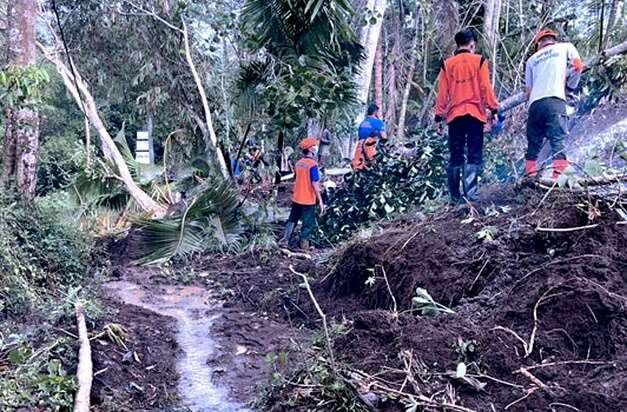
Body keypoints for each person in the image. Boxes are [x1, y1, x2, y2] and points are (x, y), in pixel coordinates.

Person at [435, 28, 499, 203]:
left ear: (458, 44)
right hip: (474, 115)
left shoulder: (447, 64)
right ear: (472, 44)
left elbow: (442, 94)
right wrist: (493, 109)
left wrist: (438, 116)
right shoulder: (479, 61)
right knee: (474, 153)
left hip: (454, 116)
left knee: (455, 155)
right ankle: (471, 194)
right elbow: (486, 88)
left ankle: (455, 197)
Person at [524, 28, 583, 178]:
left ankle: (530, 178)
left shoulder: (531, 60)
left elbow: (528, 91)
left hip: (535, 105)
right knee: (557, 141)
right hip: (555, 100)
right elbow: (577, 66)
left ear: (539, 44)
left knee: (533, 144)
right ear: (554, 40)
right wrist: (570, 88)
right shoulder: (565, 47)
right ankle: (558, 178)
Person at [280, 138, 325, 249]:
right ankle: (304, 245)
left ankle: (285, 240)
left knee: (292, 219)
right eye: (315, 146)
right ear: (310, 149)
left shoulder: (298, 163)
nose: (316, 148)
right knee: (308, 223)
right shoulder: (312, 165)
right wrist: (320, 201)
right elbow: (315, 183)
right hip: (308, 199)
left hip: (297, 197)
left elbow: (296, 179)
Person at [352, 104, 387, 170]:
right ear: (375, 112)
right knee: (375, 167)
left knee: (358, 168)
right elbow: (384, 137)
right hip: (370, 146)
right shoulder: (378, 122)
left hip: (360, 146)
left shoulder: (363, 122)